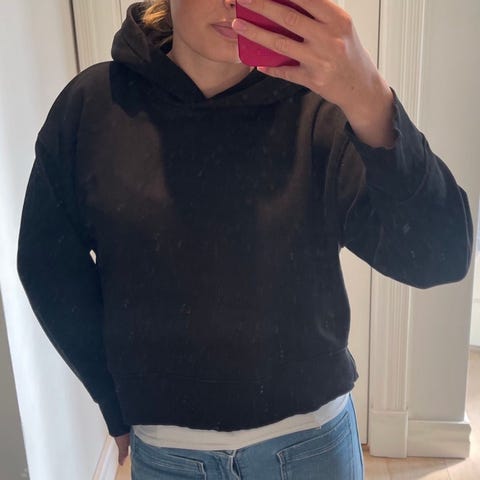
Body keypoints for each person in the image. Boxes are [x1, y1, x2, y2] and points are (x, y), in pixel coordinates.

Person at [16, 0, 473, 478]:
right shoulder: (94, 106)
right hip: (169, 454)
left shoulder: (320, 108)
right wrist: (110, 397)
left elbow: (440, 256)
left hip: (312, 447)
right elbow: (48, 266)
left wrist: (372, 100)